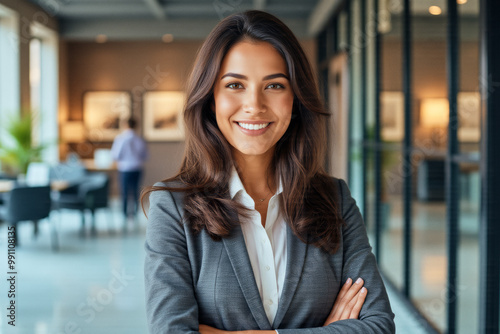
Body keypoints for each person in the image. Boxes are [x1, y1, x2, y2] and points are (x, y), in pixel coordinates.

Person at [143, 10, 395, 334]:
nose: (254, 105)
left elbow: (377, 327)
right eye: (235, 84)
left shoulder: (335, 199)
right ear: (210, 99)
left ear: (295, 99)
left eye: (274, 85)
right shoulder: (172, 206)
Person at [111, 116, 148, 223]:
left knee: (125, 191)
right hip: (137, 167)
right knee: (136, 190)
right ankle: (135, 212)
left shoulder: (121, 138)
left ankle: (125, 214)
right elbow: (146, 156)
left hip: (125, 169)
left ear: (125, 125)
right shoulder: (140, 139)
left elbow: (116, 155)